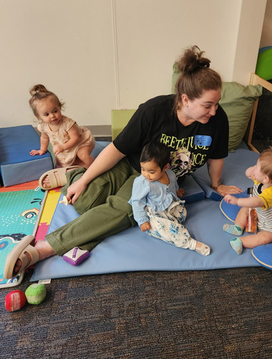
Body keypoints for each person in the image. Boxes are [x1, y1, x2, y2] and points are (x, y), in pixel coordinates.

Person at [4, 45, 241, 279]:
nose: (214, 110)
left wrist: (217, 184)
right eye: (207, 105)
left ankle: (43, 248)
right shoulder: (154, 111)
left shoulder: (217, 120)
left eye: (217, 103)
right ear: (186, 99)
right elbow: (116, 149)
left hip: (156, 178)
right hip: (128, 163)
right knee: (84, 201)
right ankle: (73, 176)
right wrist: (84, 180)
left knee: (124, 209)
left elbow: (216, 154)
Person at [130, 141, 210, 256]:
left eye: (151, 171)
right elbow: (136, 202)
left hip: (170, 206)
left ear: (165, 167)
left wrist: (177, 192)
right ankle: (190, 243)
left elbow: (173, 185)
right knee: (159, 227)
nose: (146, 174)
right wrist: (142, 221)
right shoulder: (142, 182)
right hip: (154, 212)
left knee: (183, 212)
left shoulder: (170, 174)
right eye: (143, 169)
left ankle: (171, 225)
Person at [222, 148, 272, 255]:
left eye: (257, 167)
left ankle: (241, 242)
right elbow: (247, 174)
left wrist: (237, 201)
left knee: (264, 238)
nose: (254, 168)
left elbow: (257, 201)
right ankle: (238, 227)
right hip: (260, 215)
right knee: (245, 209)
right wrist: (251, 170)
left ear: (266, 178)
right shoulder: (262, 180)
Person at [29, 84, 95, 169]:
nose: (52, 116)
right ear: (38, 116)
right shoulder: (43, 126)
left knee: (82, 155)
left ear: (60, 107)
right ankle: (81, 165)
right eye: (47, 114)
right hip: (66, 148)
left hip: (80, 142)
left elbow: (75, 138)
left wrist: (63, 147)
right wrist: (42, 149)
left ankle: (94, 166)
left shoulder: (68, 124)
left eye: (55, 111)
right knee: (65, 163)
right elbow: (44, 138)